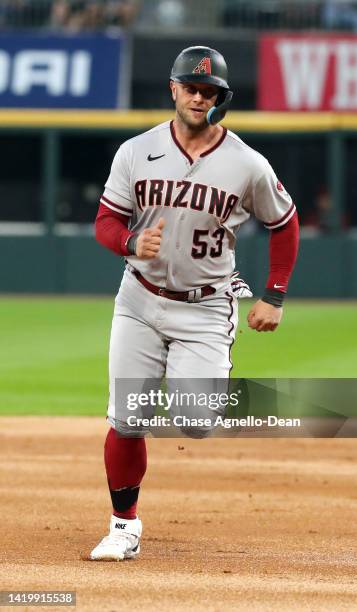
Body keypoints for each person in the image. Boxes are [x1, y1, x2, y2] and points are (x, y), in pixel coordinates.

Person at [90, 45, 299, 561]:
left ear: (220, 98)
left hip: (206, 306)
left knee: (196, 420)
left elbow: (285, 222)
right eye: (191, 86)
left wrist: (274, 293)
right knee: (127, 419)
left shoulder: (246, 162)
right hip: (138, 297)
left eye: (209, 90)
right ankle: (124, 524)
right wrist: (131, 243)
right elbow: (106, 222)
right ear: (174, 89)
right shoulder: (136, 152)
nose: (198, 96)